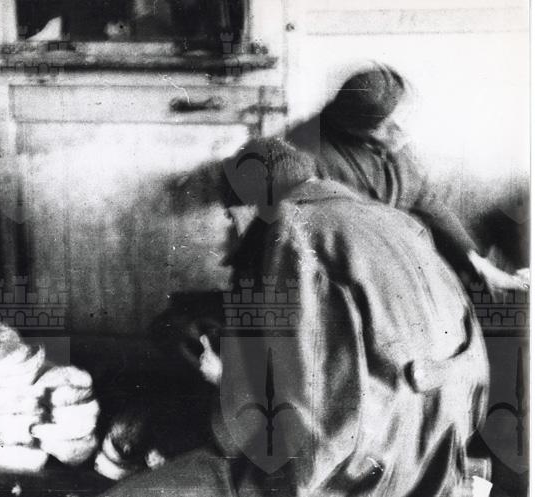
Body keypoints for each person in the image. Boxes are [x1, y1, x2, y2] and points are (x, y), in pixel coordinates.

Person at [101, 139, 490, 497]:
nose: (230, 234)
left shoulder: (292, 230)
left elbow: (309, 400)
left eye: (229, 219)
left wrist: (225, 378)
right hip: (443, 445)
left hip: (374, 462)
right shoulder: (394, 220)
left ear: (249, 207)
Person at [286, 63, 528, 294]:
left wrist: (477, 263)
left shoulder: (390, 144)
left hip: (392, 260)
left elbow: (427, 202)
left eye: (403, 117)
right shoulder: (305, 152)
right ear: (357, 129)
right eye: (390, 126)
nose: (403, 131)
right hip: (344, 275)